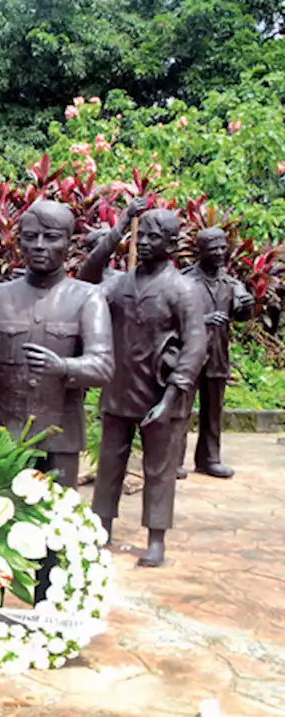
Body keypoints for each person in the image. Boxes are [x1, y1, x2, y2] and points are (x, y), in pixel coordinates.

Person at [0, 200, 114, 489]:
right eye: (30, 236)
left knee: (58, 519)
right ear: (19, 242)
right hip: (2, 435)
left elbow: (102, 366)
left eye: (51, 237)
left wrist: (63, 367)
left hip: (60, 436)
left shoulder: (87, 298)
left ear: (68, 243)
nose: (39, 245)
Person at [91, 209, 206, 568]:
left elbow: (195, 345)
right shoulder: (120, 283)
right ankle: (101, 526)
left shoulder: (183, 290)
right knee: (110, 462)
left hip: (161, 393)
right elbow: (86, 280)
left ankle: (156, 537)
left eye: (151, 237)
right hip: (119, 387)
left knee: (159, 468)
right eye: (139, 236)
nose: (141, 242)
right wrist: (121, 225)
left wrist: (173, 395)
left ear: (171, 245)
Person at [176, 227, 255, 479]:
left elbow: (240, 316)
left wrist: (246, 307)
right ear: (200, 251)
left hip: (218, 354)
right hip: (189, 355)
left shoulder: (232, 284)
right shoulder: (185, 281)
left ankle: (209, 459)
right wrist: (203, 319)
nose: (221, 252)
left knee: (213, 411)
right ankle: (173, 459)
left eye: (223, 247)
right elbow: (170, 318)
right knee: (180, 410)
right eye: (214, 248)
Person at [77, 196, 148, 284]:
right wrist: (126, 217)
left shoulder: (120, 277)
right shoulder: (87, 272)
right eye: (103, 243)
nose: (110, 248)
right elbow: (103, 250)